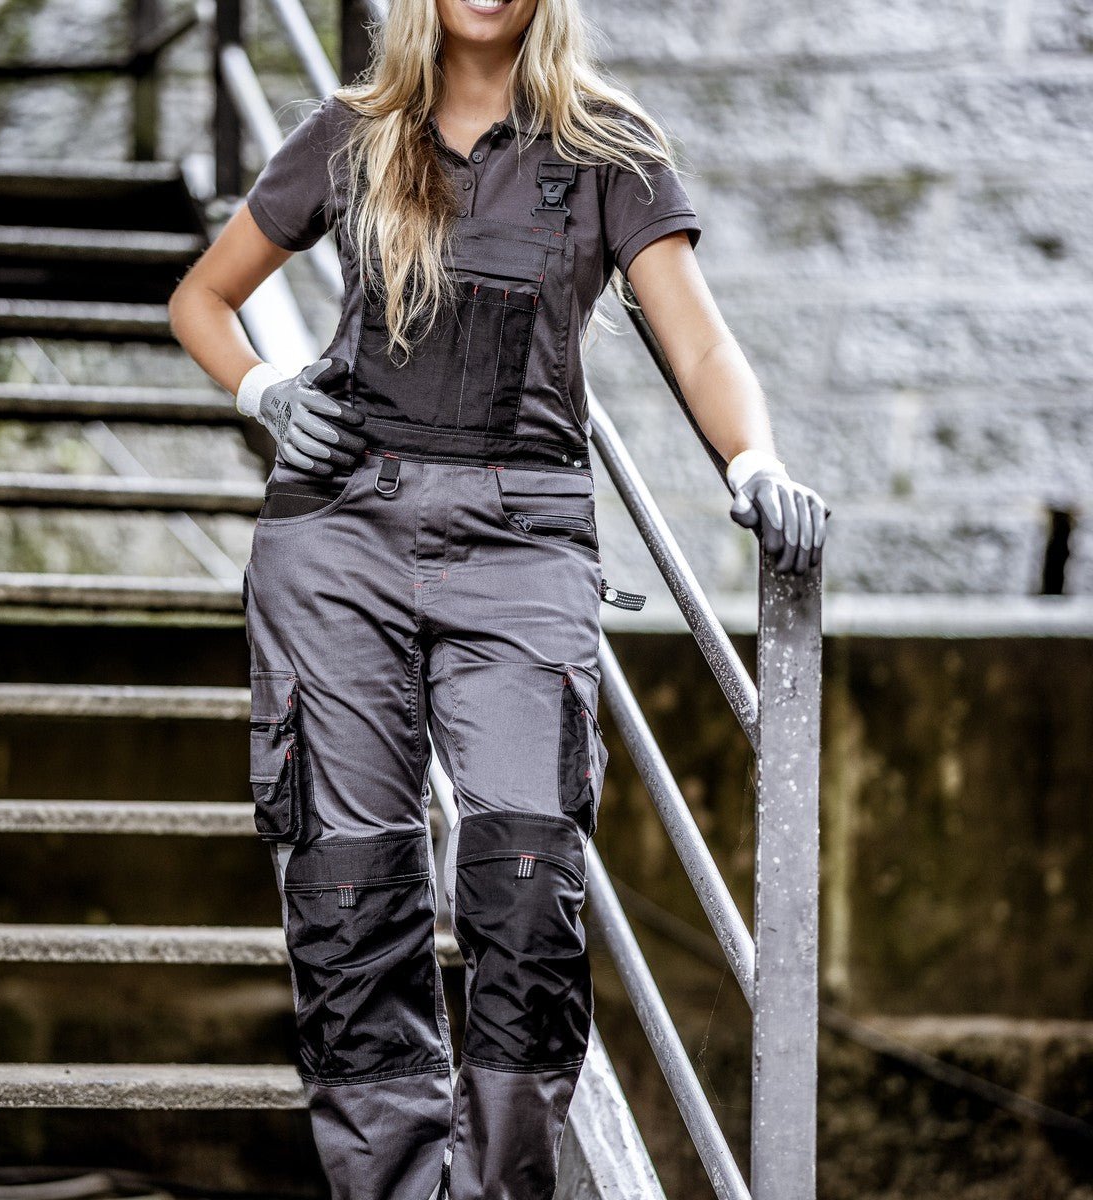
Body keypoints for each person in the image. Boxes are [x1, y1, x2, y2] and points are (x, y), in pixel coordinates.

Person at [168, 1, 829, 1196]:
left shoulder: (608, 148)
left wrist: (755, 464)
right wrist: (266, 390)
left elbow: (700, 344)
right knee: (350, 899)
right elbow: (203, 299)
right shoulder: (350, 134)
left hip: (523, 547)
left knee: (526, 890)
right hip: (339, 544)